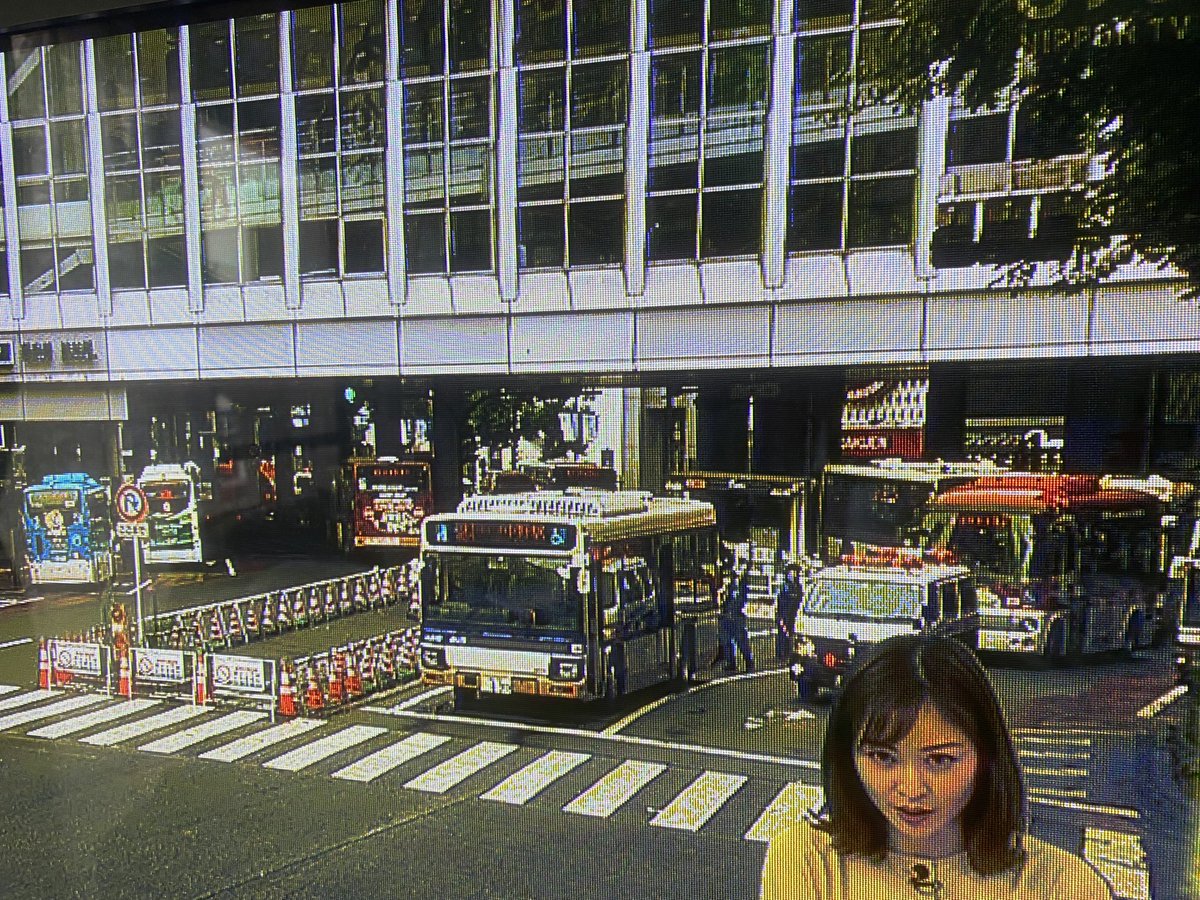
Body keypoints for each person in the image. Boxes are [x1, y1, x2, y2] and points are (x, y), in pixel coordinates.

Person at [760, 633, 1113, 899]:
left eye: (940, 760)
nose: (911, 789)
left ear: (985, 757)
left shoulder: (1063, 884)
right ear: (849, 758)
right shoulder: (805, 860)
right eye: (883, 757)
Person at [720, 565, 755, 674]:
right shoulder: (731, 586)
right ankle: (731, 663)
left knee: (741, 641)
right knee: (728, 641)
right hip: (728, 618)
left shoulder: (741, 586)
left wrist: (732, 610)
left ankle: (749, 663)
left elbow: (740, 600)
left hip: (736, 618)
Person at [775, 565, 804, 662]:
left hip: (793, 614)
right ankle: (781, 654)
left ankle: (788, 653)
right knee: (782, 634)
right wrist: (780, 615)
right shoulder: (784, 586)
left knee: (790, 634)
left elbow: (800, 599)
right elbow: (780, 601)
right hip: (784, 612)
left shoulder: (798, 586)